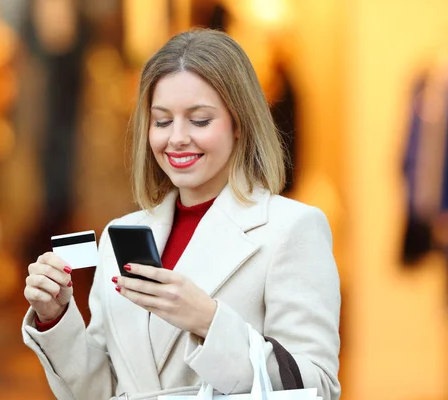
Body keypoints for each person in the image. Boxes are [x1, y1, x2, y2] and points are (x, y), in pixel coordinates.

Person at [22, 29, 341, 400]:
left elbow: (317, 388)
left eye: (200, 120)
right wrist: (56, 316)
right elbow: (100, 390)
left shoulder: (291, 229)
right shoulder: (119, 234)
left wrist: (208, 320)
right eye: (161, 121)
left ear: (239, 124)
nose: (176, 138)